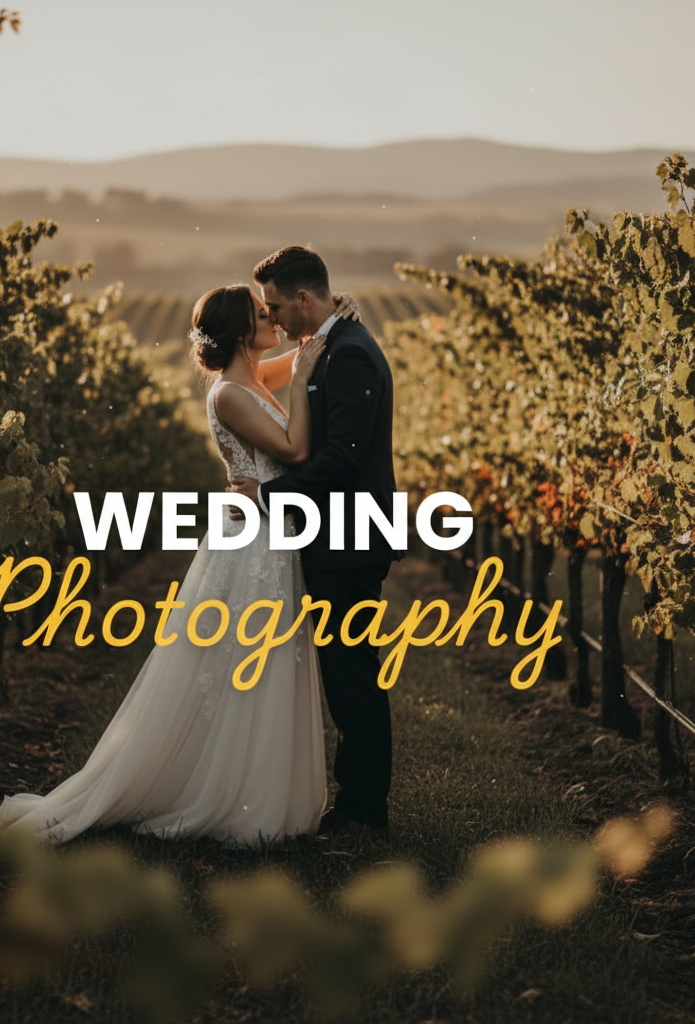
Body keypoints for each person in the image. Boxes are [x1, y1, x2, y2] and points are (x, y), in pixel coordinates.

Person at [0, 284, 355, 846]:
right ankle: (223, 793)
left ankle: (249, 783)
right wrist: (307, 371)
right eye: (264, 315)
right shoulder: (230, 394)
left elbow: (300, 356)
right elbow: (295, 448)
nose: (274, 321)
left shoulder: (251, 380)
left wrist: (328, 325)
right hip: (251, 540)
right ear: (240, 331)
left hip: (265, 533)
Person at [231, 246, 402, 838]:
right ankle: (356, 800)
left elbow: (342, 459)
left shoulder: (350, 354)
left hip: (350, 538)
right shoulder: (328, 344)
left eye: (276, 306)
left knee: (352, 674)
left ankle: (362, 808)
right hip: (334, 534)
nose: (271, 319)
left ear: (305, 298)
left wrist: (268, 498)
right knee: (345, 670)